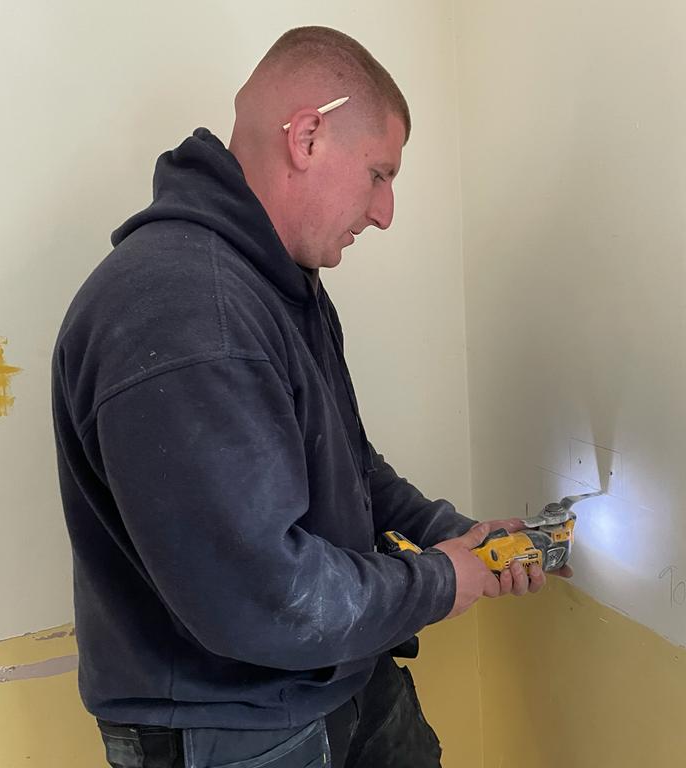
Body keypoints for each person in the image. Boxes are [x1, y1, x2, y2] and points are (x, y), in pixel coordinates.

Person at [51, 26, 564, 768]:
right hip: (234, 727)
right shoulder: (189, 309)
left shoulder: (280, 284)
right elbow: (266, 594)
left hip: (341, 677)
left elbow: (345, 460)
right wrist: (447, 576)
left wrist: (452, 531)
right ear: (309, 137)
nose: (385, 213)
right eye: (379, 175)